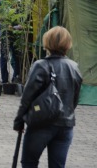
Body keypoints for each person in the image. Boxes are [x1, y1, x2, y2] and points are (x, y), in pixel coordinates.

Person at [13, 26, 83, 168]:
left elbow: (27, 97)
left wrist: (19, 120)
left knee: (29, 162)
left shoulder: (41, 65)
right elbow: (74, 99)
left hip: (41, 122)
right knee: (58, 165)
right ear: (68, 44)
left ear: (47, 42)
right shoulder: (74, 67)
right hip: (65, 125)